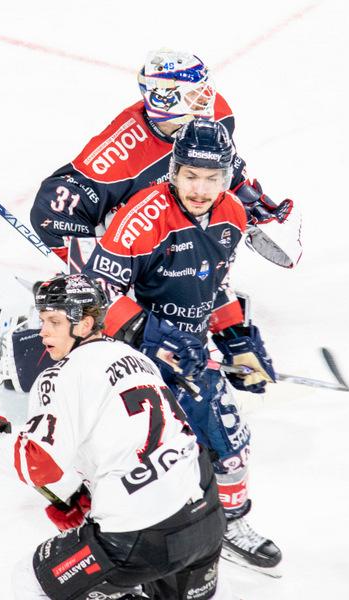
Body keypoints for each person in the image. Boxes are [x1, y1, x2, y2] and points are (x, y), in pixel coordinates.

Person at [0, 49, 301, 393]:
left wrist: (253, 201)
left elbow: (221, 164)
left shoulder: (215, 114)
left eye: (205, 90)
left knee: (193, 266)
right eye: (194, 94)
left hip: (160, 214)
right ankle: (24, 344)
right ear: (164, 100)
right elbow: (54, 208)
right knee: (98, 311)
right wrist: (106, 289)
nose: (207, 100)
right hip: (84, 222)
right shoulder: (116, 158)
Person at [0, 274, 227, 600]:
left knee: (31, 581)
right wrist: (83, 493)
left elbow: (40, 463)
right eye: (42, 320)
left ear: (84, 324)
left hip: (139, 537)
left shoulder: (60, 376)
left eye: (54, 321)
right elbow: (136, 438)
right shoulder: (136, 357)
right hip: (206, 516)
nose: (43, 331)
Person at [77, 118, 280, 573]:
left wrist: (237, 341)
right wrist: (154, 337)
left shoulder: (233, 215)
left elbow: (216, 287)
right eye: (190, 174)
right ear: (173, 169)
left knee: (229, 443)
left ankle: (229, 523)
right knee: (135, 457)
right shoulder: (143, 216)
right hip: (128, 353)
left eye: (212, 178)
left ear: (227, 178)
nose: (201, 188)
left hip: (187, 349)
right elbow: (95, 298)